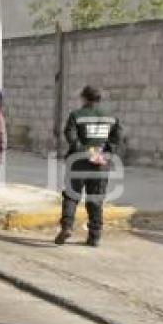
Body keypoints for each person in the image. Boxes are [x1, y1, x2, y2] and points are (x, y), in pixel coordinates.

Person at [55, 85, 123, 247]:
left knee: (72, 195)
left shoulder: (76, 115)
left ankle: (67, 227)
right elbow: (117, 138)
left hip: (78, 162)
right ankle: (94, 236)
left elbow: (70, 136)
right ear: (99, 99)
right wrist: (104, 153)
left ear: (84, 98)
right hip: (100, 164)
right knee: (96, 199)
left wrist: (86, 151)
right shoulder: (111, 117)